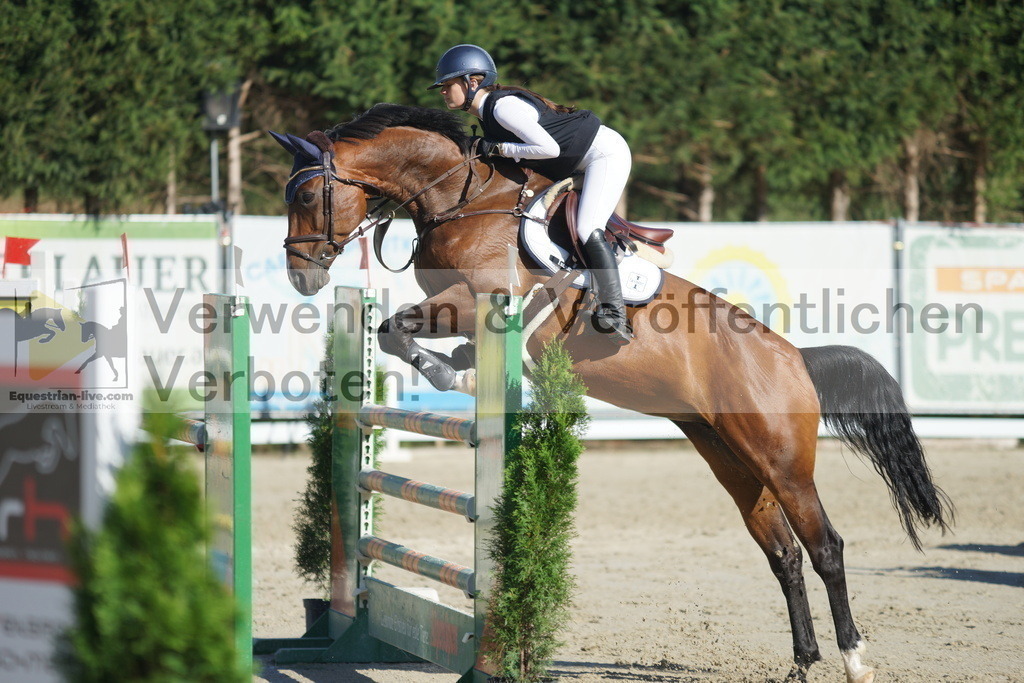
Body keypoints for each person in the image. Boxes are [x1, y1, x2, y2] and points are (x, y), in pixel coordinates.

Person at [429, 44, 633, 346]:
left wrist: (498, 149)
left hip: (603, 154)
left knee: (588, 227)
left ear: (473, 82)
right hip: (573, 161)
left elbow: (549, 149)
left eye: (448, 85)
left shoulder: (502, 107)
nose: (443, 92)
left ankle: (614, 313)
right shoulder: (487, 113)